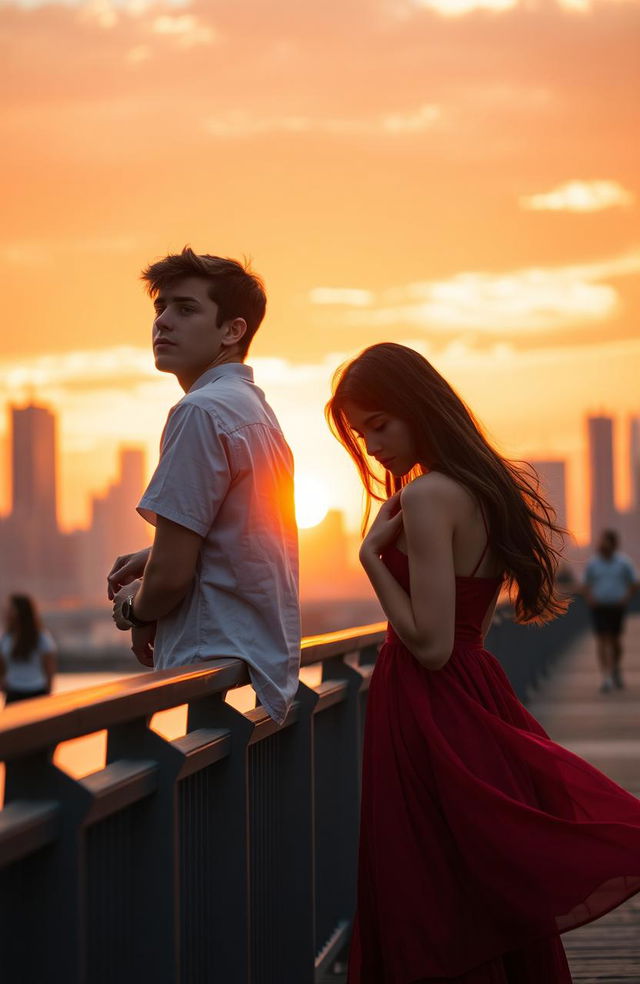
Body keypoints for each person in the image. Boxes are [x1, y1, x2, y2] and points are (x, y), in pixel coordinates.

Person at [326, 342, 640, 984]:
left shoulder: (426, 497)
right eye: (363, 435)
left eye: (380, 425)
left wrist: (368, 559)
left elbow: (431, 643)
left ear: (417, 408)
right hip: (471, 694)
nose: (374, 446)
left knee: (427, 891)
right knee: (469, 886)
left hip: (429, 705)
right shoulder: (474, 487)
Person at [108, 248, 300, 726]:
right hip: (255, 673)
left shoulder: (200, 412)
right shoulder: (255, 411)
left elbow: (172, 579)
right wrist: (157, 555)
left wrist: (133, 608)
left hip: (209, 668)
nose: (163, 322)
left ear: (232, 331)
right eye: (160, 308)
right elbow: (244, 537)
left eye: (186, 308)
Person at [582, 529, 638, 693]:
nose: (601, 545)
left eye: (605, 541)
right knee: (601, 640)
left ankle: (616, 668)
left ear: (613, 544)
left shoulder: (623, 563)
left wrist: (626, 598)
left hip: (616, 607)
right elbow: (585, 584)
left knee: (615, 640)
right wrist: (590, 598)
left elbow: (634, 582)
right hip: (599, 607)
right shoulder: (593, 563)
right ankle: (605, 677)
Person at [0, 594, 56, 705]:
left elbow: (49, 668)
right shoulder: (6, 638)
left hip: (37, 691)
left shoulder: (41, 638)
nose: (7, 612)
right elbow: (2, 667)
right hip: (13, 692)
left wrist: (48, 691)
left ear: (22, 612)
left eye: (11, 609)